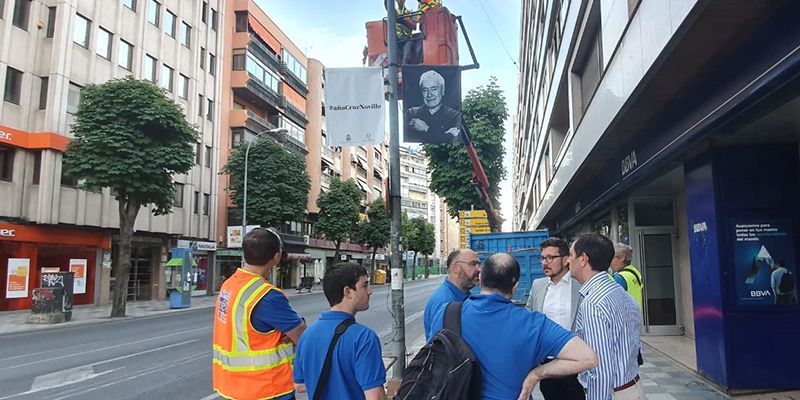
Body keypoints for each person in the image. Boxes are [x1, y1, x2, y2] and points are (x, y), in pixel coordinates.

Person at [429, 253, 598, 400]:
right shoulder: (534, 324)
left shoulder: (447, 313)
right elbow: (588, 358)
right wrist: (536, 375)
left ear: (480, 279)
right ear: (515, 286)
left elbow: (432, 363)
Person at [213, 228, 307, 400]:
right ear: (276, 256)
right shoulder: (267, 295)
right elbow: (301, 336)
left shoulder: (229, 285)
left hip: (232, 386)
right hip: (267, 388)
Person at [293, 263, 387, 400]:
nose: (370, 291)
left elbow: (299, 385)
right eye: (365, 285)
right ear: (348, 292)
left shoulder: (307, 335)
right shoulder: (364, 338)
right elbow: (376, 397)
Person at [569, 233, 644, 400]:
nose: (568, 261)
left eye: (571, 255)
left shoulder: (593, 303)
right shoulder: (620, 293)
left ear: (583, 260)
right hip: (633, 387)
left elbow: (600, 368)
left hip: (614, 393)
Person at [527, 238, 584, 400]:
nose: (545, 263)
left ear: (566, 259)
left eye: (550, 258)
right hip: (548, 365)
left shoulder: (579, 285)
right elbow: (530, 318)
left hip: (575, 364)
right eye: (543, 258)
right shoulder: (538, 285)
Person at [423, 249, 480, 341]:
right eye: (473, 264)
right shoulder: (445, 302)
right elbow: (439, 349)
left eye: (479, 264)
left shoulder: (463, 295)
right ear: (455, 267)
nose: (479, 269)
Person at [405, 70, 461, 143]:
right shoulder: (411, 113)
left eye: (434, 89)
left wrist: (426, 128)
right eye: (425, 90)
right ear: (421, 92)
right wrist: (444, 134)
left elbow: (452, 139)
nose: (429, 95)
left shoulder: (455, 116)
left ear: (442, 90)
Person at [610, 243, 644, 311]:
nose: (610, 262)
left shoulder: (620, 278)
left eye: (612, 258)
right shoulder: (634, 273)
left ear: (622, 258)